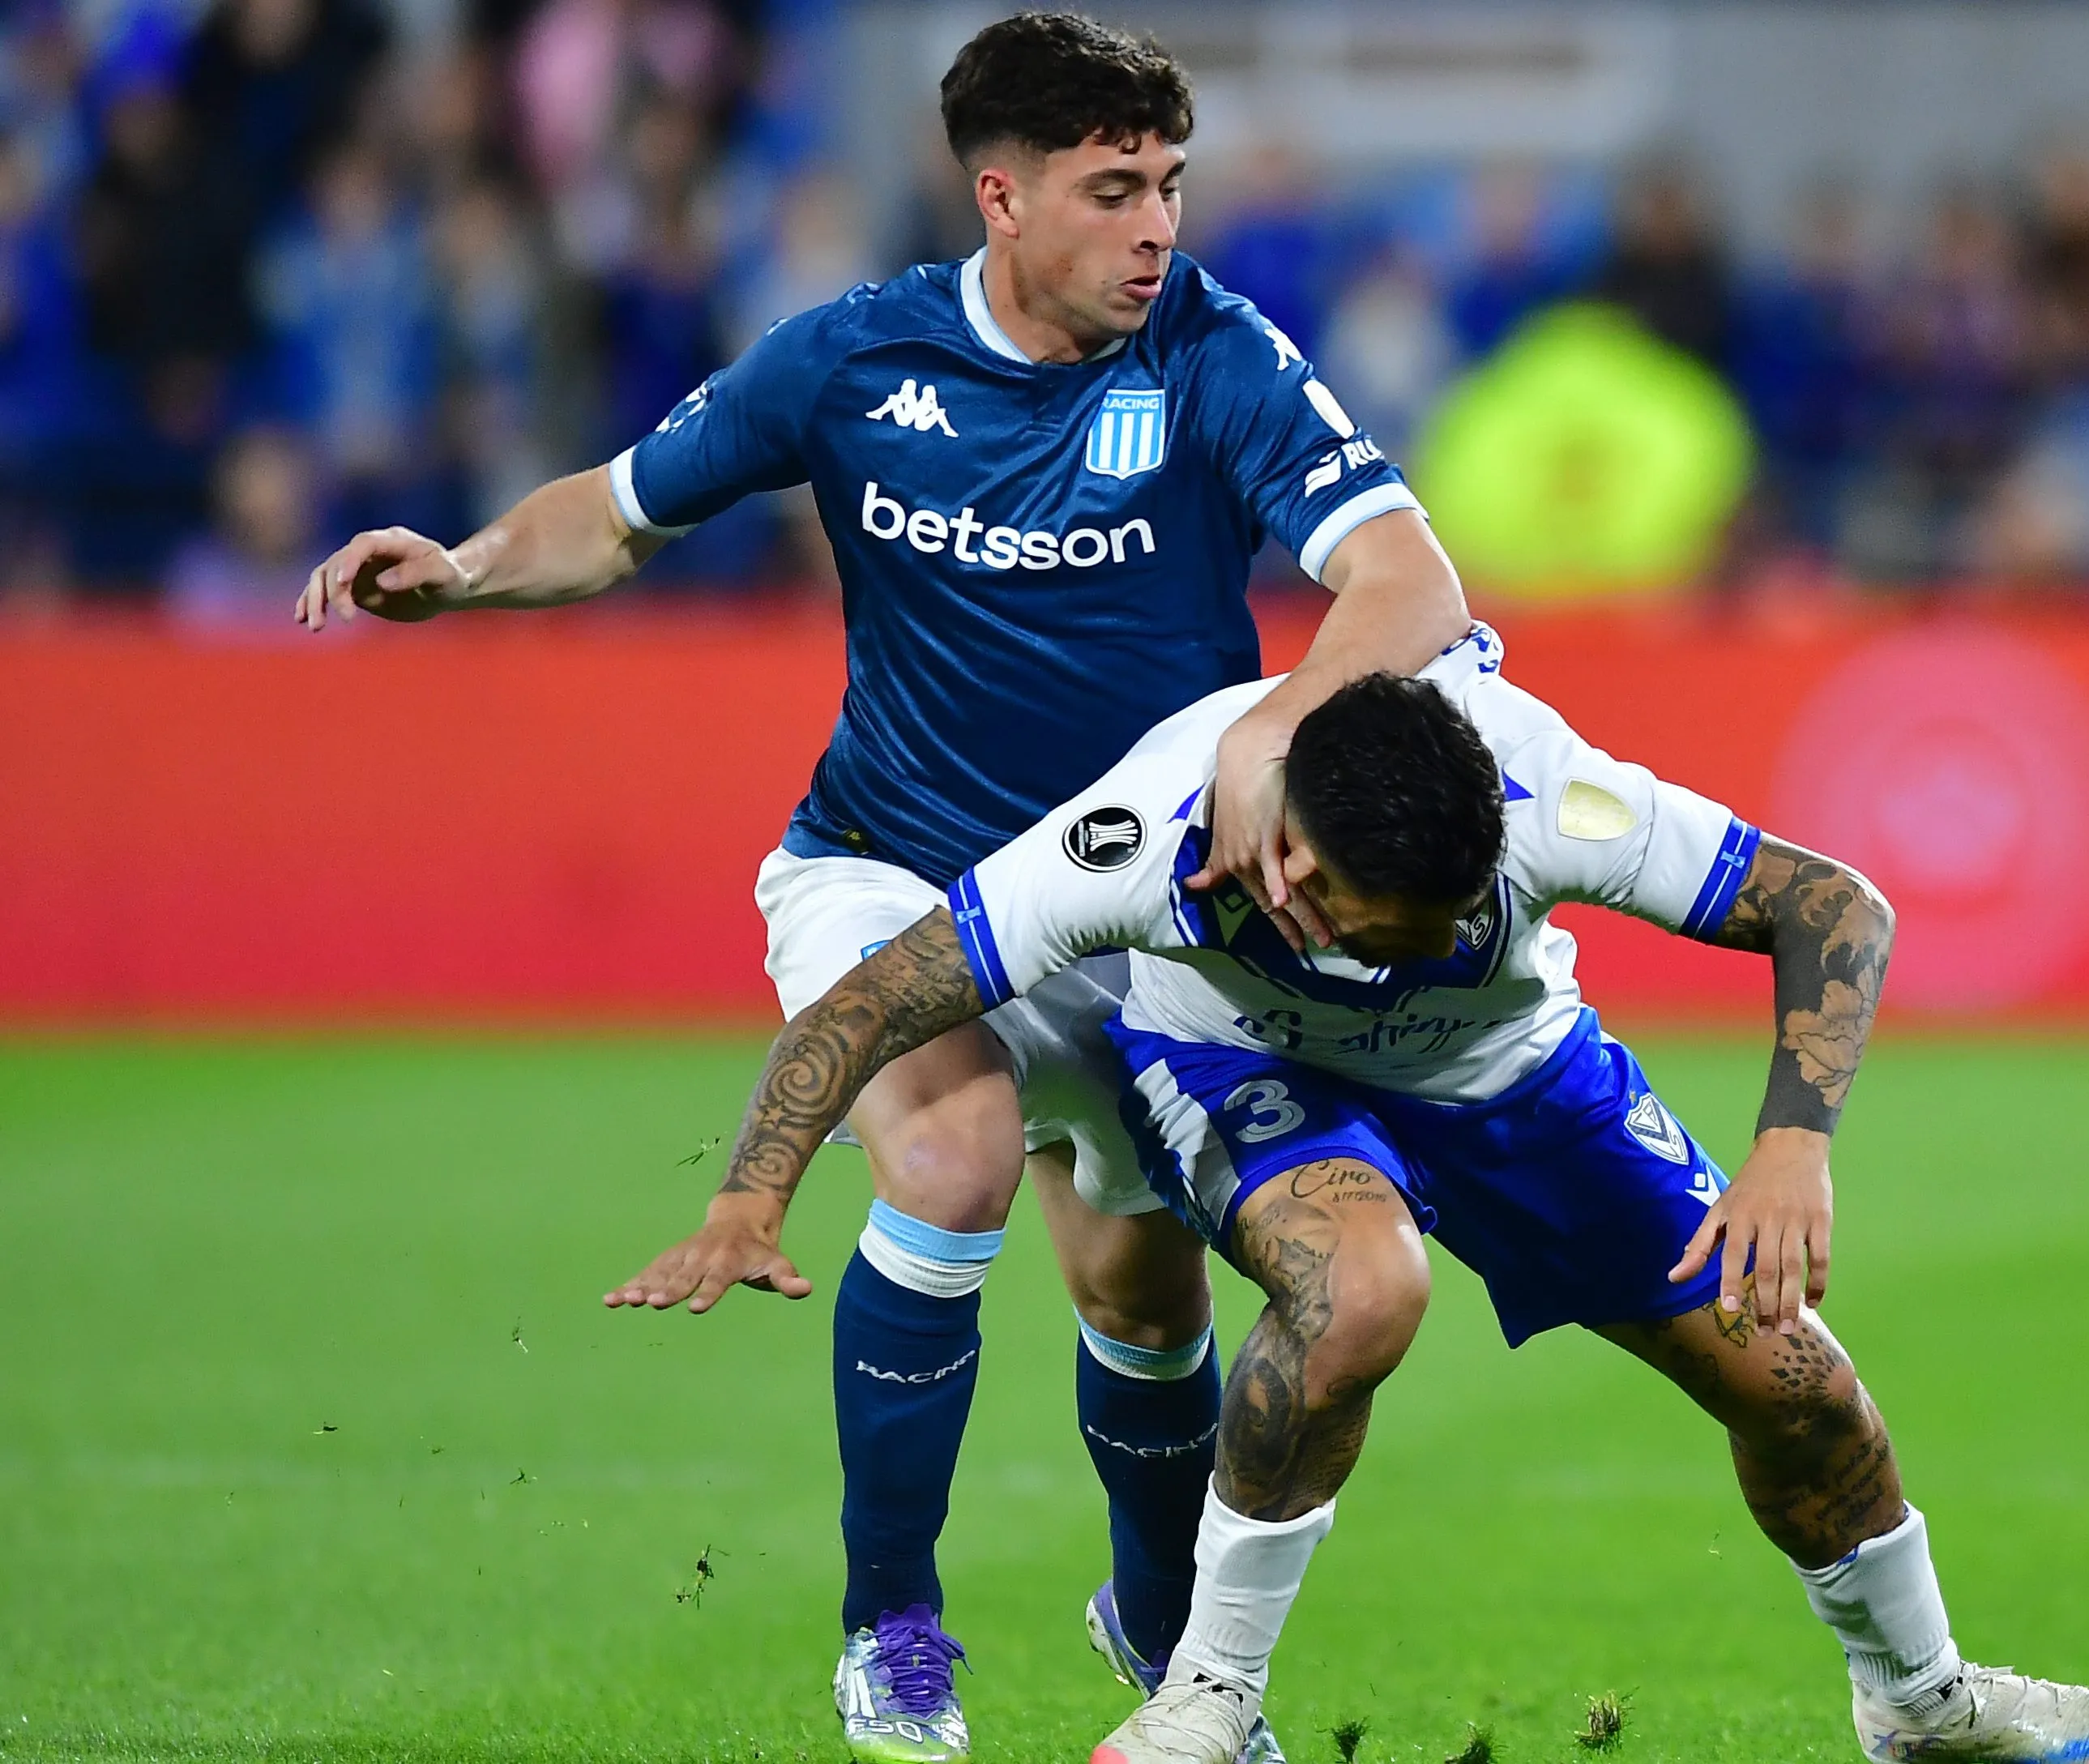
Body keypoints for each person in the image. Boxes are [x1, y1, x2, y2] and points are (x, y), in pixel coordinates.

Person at [294, 13, 1472, 1762]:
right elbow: (619, 511)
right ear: (1001, 197)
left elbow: (1408, 575)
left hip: (1131, 906)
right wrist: (465, 565)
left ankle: (1165, 1644)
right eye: (1113, 188)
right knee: (952, 1151)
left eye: (1168, 182)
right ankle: (893, 1630)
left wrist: (1287, 719)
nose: (1159, 224)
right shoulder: (851, 359)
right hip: (888, 866)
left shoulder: (1220, 353)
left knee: (1143, 1304)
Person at [611, 627, 2089, 1764]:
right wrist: (752, 1197)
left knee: (1799, 1388)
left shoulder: (1545, 796)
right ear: (1285, 862)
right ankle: (1205, 1699)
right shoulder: (1143, 839)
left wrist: (1792, 1145)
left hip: (1515, 1075)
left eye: (1445, 922)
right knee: (1362, 1289)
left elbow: (1834, 905)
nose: (1414, 946)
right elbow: (882, 994)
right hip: (1245, 1074)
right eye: (1383, 926)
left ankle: (1922, 1710)